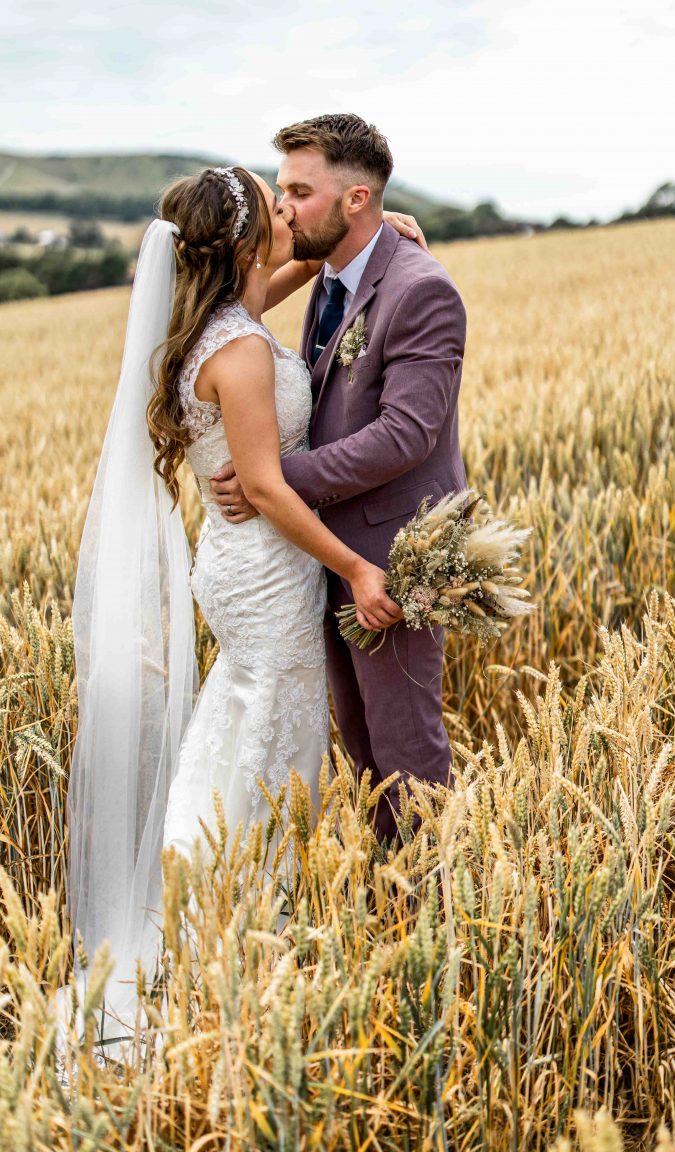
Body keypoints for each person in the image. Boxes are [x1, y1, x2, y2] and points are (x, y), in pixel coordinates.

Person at [62, 161, 423, 1061]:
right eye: (275, 206)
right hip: (267, 570)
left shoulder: (221, 319)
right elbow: (262, 483)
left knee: (241, 726)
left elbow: (292, 271)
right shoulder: (244, 349)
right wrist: (355, 567)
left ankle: (207, 906)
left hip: (236, 567)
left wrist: (384, 228)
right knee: (273, 741)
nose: (288, 214)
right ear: (245, 239)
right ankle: (225, 932)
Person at [210, 114, 468, 844]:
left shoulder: (420, 290)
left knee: (407, 755)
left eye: (301, 190)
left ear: (356, 200)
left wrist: (275, 482)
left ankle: (435, 934)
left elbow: (405, 435)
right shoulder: (324, 274)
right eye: (281, 191)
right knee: (362, 753)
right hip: (320, 551)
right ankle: (389, 911)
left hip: (389, 559)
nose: (284, 208)